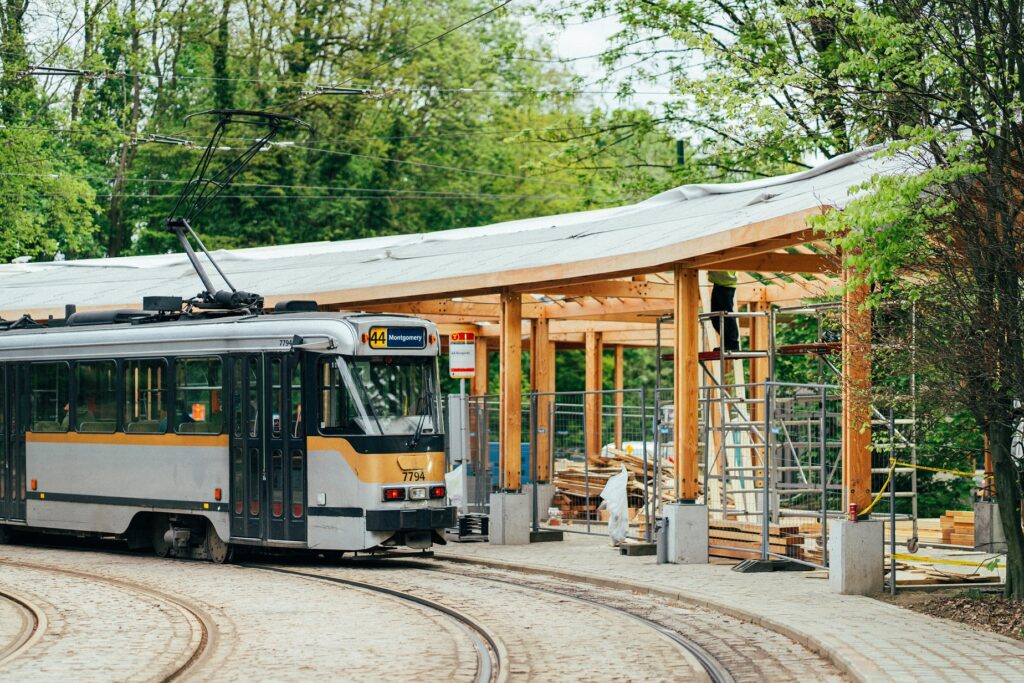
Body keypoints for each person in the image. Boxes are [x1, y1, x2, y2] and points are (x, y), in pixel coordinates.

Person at [708, 270, 739, 352]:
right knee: (715, 317)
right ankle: (727, 344)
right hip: (719, 284)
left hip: (727, 285)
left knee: (727, 315)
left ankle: (733, 344)